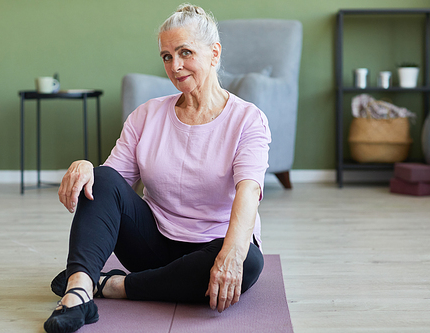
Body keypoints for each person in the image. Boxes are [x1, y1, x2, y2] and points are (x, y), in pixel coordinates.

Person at [44, 4, 271, 333]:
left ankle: (113, 286)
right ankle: (78, 291)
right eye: (167, 56)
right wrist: (86, 167)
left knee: (249, 261)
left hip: (212, 247)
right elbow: (110, 185)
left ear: (214, 53)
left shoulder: (247, 119)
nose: (175, 66)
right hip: (152, 245)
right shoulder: (146, 115)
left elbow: (249, 189)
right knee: (101, 176)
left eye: (185, 52)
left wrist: (233, 253)